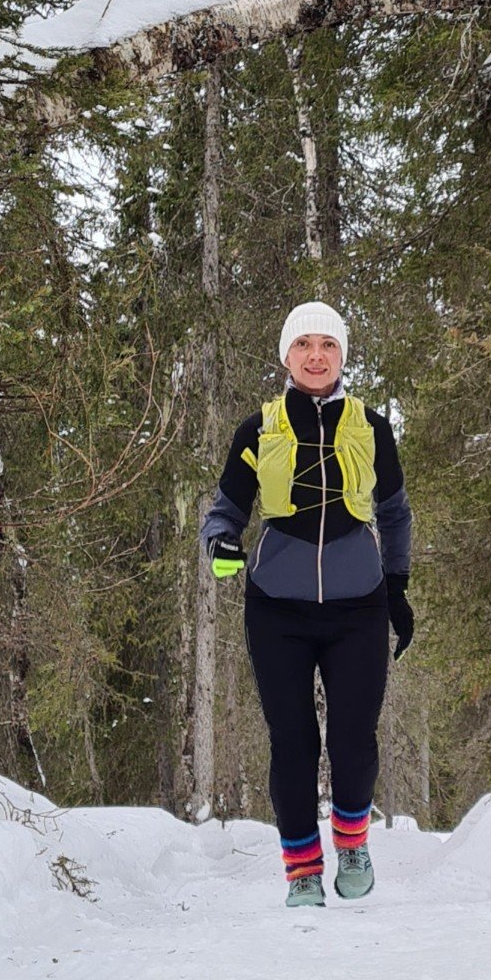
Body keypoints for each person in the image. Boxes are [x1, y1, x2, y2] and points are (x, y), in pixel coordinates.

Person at [201, 301, 414, 908]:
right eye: (304, 346)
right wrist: (220, 542)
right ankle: (301, 871)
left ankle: (351, 841)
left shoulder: (372, 428)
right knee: (291, 740)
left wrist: (397, 587)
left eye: (327, 345)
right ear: (287, 357)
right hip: (277, 609)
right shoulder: (258, 430)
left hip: (358, 607)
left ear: (342, 355)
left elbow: (395, 514)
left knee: (353, 739)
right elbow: (225, 511)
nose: (315, 356)